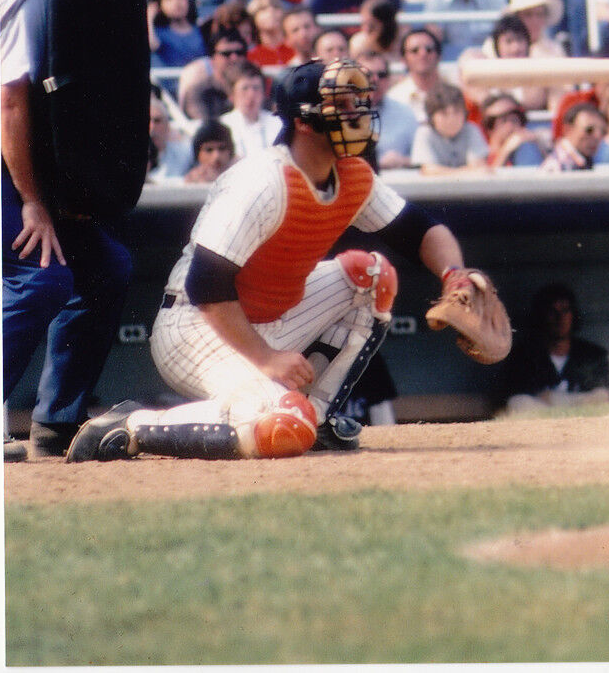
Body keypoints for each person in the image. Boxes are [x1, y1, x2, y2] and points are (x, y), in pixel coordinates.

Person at [66, 58, 497, 462]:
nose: (358, 114)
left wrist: (455, 275)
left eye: (358, 103)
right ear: (302, 122)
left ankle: (318, 416)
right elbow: (206, 285)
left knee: (371, 274)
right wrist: (266, 359)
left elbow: (420, 230)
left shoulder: (350, 173)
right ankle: (134, 423)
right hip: (195, 324)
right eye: (342, 106)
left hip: (266, 316)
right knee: (277, 427)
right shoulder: (263, 179)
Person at [2, 0, 154, 459]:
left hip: (29, 157)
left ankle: (56, 423)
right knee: (40, 277)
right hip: (5, 153)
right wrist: (35, 202)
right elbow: (11, 102)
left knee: (106, 267)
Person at [498, 284, 609, 413]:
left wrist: (553, 399)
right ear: (541, 316)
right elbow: (514, 402)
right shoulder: (522, 356)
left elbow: (604, 397)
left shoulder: (593, 355)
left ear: (573, 315)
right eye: (552, 311)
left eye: (565, 310)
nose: (560, 318)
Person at [410, 80, 489, 173]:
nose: (452, 119)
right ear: (431, 116)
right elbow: (429, 170)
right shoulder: (424, 133)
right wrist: (465, 172)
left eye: (457, 112)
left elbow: (478, 166)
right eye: (444, 114)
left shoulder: (471, 130)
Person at [538, 101, 607, 173]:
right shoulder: (555, 167)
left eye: (603, 132)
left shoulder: (584, 161)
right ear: (568, 129)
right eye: (589, 130)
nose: (597, 137)